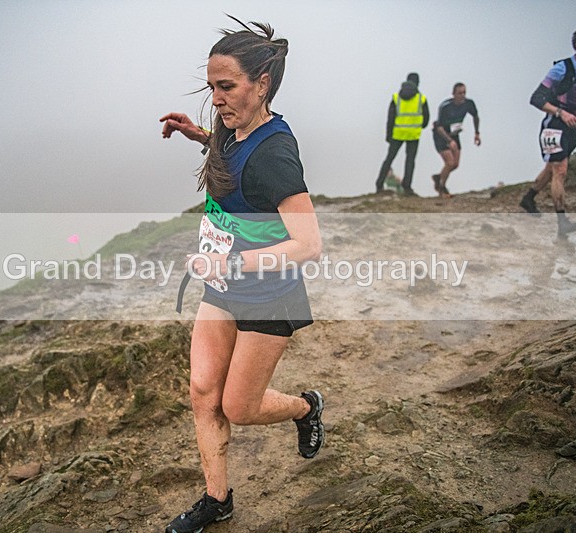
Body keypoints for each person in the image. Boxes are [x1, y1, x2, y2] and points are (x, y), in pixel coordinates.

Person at [159, 16, 324, 533]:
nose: (217, 98)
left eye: (226, 87)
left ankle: (305, 407)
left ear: (262, 84)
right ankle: (217, 499)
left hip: (268, 297)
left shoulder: (276, 154)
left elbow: (309, 245)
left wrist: (231, 261)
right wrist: (198, 135)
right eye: (212, 88)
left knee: (240, 405)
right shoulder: (233, 129)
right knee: (203, 392)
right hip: (222, 288)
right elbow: (233, 156)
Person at [520, 24, 576, 236]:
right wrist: (561, 113)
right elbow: (536, 98)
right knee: (560, 170)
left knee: (553, 167)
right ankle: (562, 222)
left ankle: (528, 198)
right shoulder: (561, 69)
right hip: (555, 124)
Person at [375, 73, 429, 196]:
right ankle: (407, 187)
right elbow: (426, 120)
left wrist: (388, 135)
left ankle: (379, 184)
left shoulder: (396, 98)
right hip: (413, 134)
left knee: (389, 159)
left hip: (397, 134)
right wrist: (417, 125)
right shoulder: (422, 99)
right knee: (410, 161)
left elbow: (390, 118)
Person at [431, 83, 481, 198]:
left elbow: (475, 116)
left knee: (455, 164)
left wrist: (477, 133)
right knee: (449, 162)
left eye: (464, 93)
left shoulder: (469, 104)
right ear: (453, 94)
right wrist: (449, 141)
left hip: (454, 133)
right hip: (441, 135)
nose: (462, 96)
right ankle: (441, 188)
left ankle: (439, 177)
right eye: (459, 93)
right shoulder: (445, 106)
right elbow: (439, 127)